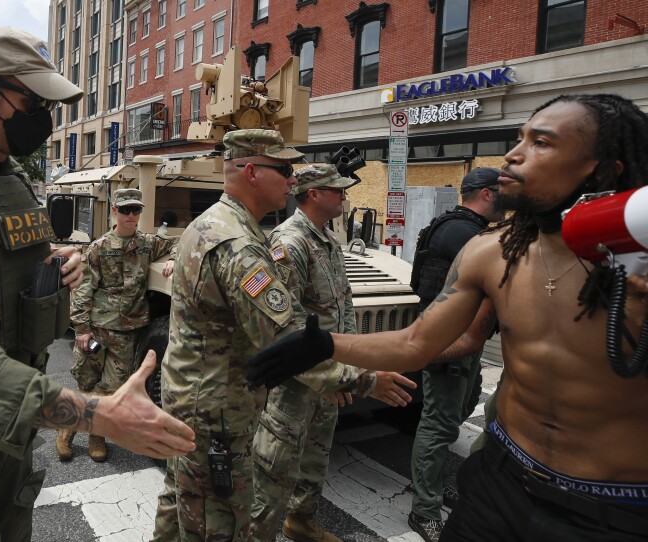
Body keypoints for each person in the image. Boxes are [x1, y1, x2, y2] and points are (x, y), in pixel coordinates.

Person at [248, 93, 648, 542]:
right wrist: (329, 349)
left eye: (541, 143)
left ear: (604, 169)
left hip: (616, 507)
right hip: (502, 479)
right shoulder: (489, 251)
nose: (513, 154)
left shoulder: (637, 258)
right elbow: (417, 342)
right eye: (518, 138)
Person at [0, 27, 195, 540]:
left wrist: (56, 266)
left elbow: (4, 271)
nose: (43, 116)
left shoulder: (10, 181)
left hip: (10, 432)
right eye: (31, 100)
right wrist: (97, 413)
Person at [151, 128, 313, 541]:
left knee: (180, 498)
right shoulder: (237, 244)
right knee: (217, 523)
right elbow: (286, 339)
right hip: (215, 412)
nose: (293, 180)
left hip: (192, 397)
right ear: (253, 172)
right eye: (285, 169)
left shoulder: (212, 224)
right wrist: (366, 376)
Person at [250, 163, 416, 542]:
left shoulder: (325, 239)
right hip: (297, 380)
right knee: (274, 466)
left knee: (316, 455)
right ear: (313, 195)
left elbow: (343, 308)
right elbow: (285, 328)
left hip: (329, 373)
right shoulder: (289, 244)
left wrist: (346, 367)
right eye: (336, 189)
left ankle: (301, 521)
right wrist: (338, 375)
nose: (344, 195)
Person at [406, 167, 506, 542]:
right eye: (501, 192)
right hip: (448, 341)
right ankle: (424, 510)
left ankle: (429, 485)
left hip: (465, 340)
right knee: (439, 423)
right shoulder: (464, 233)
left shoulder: (467, 228)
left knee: (460, 409)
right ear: (485, 193)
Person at [59, 188, 177, 462]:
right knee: (86, 380)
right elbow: (84, 289)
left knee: (112, 386)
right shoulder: (99, 248)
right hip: (99, 327)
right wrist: (81, 329)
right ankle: (68, 429)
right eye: (125, 210)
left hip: (128, 331)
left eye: (136, 210)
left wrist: (172, 258)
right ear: (115, 210)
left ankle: (94, 434)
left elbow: (178, 243)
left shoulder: (148, 243)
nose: (131, 216)